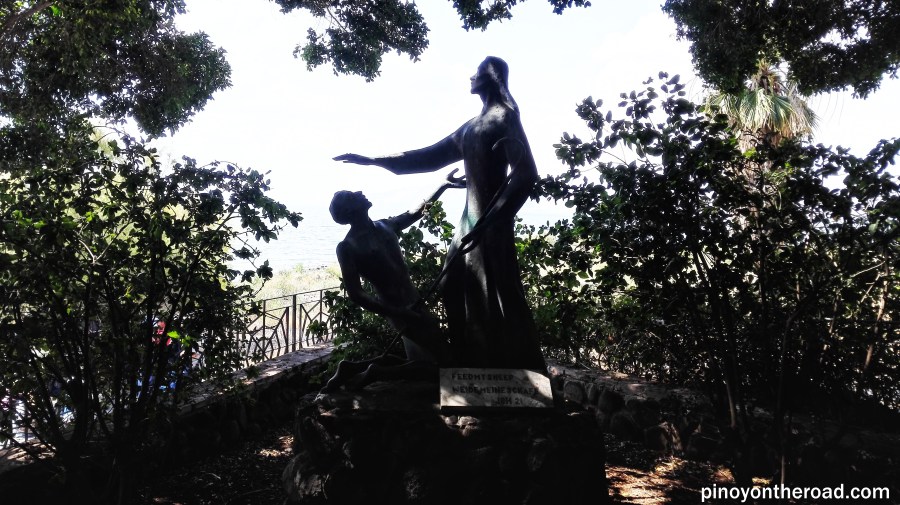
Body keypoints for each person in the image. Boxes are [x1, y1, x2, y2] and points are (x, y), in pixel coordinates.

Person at [335, 56, 545, 370]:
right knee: (454, 287)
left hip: (491, 225)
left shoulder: (504, 119)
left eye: (476, 72)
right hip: (468, 224)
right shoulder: (472, 127)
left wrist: (490, 221)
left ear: (489, 77)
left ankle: (510, 367)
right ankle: (465, 364)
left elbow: (526, 174)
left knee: (494, 293)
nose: (470, 77)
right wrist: (372, 159)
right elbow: (426, 157)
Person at [321, 171, 464, 391]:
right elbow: (356, 294)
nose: (359, 192)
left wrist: (442, 185)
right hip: (398, 309)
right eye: (352, 195)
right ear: (349, 210)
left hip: (415, 302)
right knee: (447, 366)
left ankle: (351, 369)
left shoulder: (386, 225)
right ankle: (376, 373)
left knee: (433, 362)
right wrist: (398, 312)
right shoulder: (348, 247)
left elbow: (415, 212)